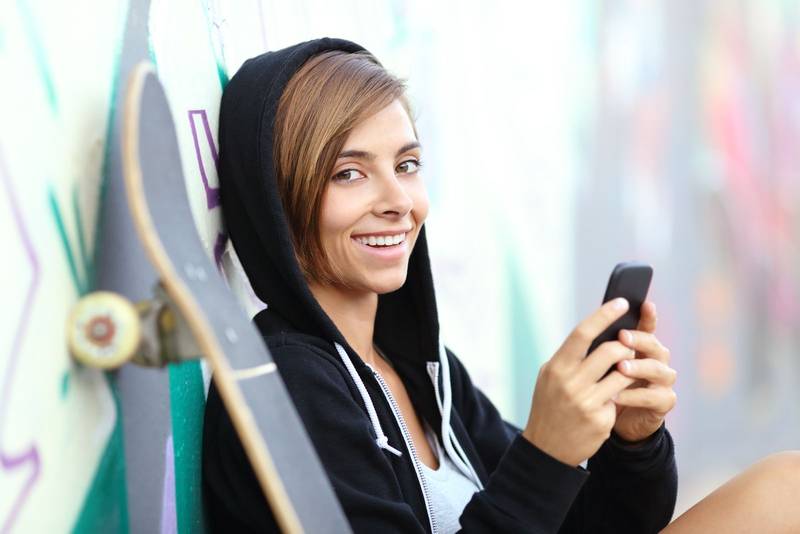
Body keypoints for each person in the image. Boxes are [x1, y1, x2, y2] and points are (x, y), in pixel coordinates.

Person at [203, 37, 800, 533]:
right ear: (278, 199)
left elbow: (601, 525)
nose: (398, 201)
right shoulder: (286, 382)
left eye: (406, 165)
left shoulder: (426, 371)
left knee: (787, 486)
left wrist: (630, 443)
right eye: (349, 173)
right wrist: (544, 454)